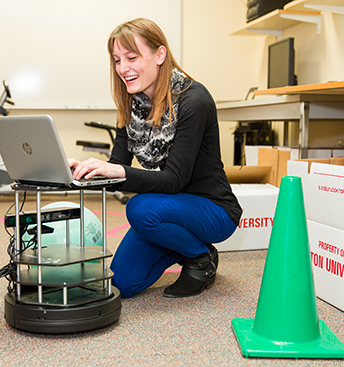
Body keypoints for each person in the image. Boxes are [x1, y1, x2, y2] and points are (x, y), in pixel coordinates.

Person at [69, 18, 242, 299]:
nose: (122, 69)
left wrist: (115, 172)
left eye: (131, 57)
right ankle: (180, 244)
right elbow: (118, 168)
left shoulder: (194, 101)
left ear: (160, 55)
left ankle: (200, 257)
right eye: (116, 60)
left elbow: (173, 180)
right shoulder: (131, 104)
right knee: (121, 286)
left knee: (139, 209)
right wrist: (83, 172)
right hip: (166, 211)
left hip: (213, 210)